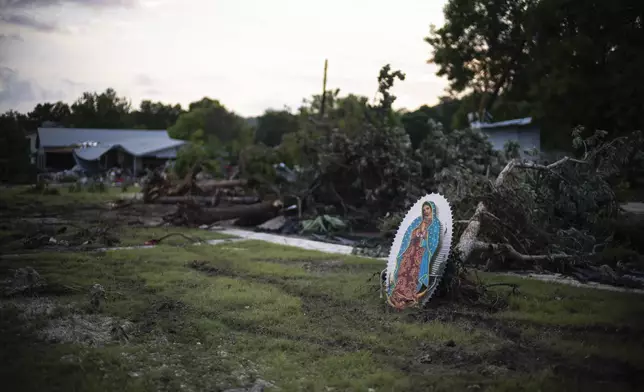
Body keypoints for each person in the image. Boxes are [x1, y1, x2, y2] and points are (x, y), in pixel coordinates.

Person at [387, 201, 441, 309]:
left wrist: (425, 236)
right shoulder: (418, 221)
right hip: (412, 248)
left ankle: (408, 296)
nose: (425, 211)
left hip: (422, 251)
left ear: (432, 209)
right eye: (424, 209)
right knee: (404, 267)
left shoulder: (435, 223)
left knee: (414, 272)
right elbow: (409, 234)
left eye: (427, 209)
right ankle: (397, 294)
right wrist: (416, 233)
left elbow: (434, 241)